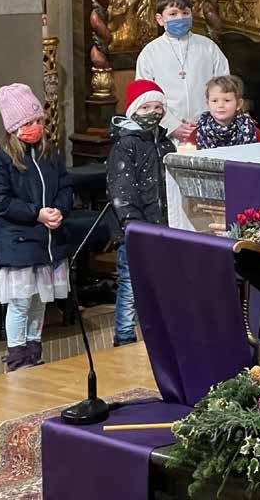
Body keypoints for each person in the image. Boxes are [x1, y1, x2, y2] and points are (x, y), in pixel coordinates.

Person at [0, 84, 72, 371]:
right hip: (20, 238)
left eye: (37, 120)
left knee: (39, 301)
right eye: (28, 122)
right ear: (14, 126)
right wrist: (37, 214)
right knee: (21, 302)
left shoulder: (48, 151)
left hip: (48, 239)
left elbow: (65, 186)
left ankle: (34, 351)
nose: (35, 127)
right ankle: (18, 356)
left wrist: (59, 209)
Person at [106, 79, 175, 346]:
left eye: (158, 107)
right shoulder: (126, 144)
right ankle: (124, 335)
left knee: (161, 282)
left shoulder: (165, 144)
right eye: (146, 107)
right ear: (133, 110)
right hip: (133, 230)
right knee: (131, 284)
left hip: (163, 225)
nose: (153, 112)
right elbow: (121, 190)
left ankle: (157, 332)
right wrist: (132, 224)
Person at [136, 0, 230, 146]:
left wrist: (208, 121)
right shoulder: (150, 52)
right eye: (173, 14)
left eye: (185, 13)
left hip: (208, 129)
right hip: (165, 134)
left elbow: (225, 87)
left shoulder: (208, 47)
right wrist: (172, 127)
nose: (180, 18)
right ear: (160, 19)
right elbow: (144, 97)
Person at [196, 75, 258, 149]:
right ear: (208, 104)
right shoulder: (201, 128)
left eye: (227, 100)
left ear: (238, 104)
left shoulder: (247, 126)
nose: (220, 105)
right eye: (214, 101)